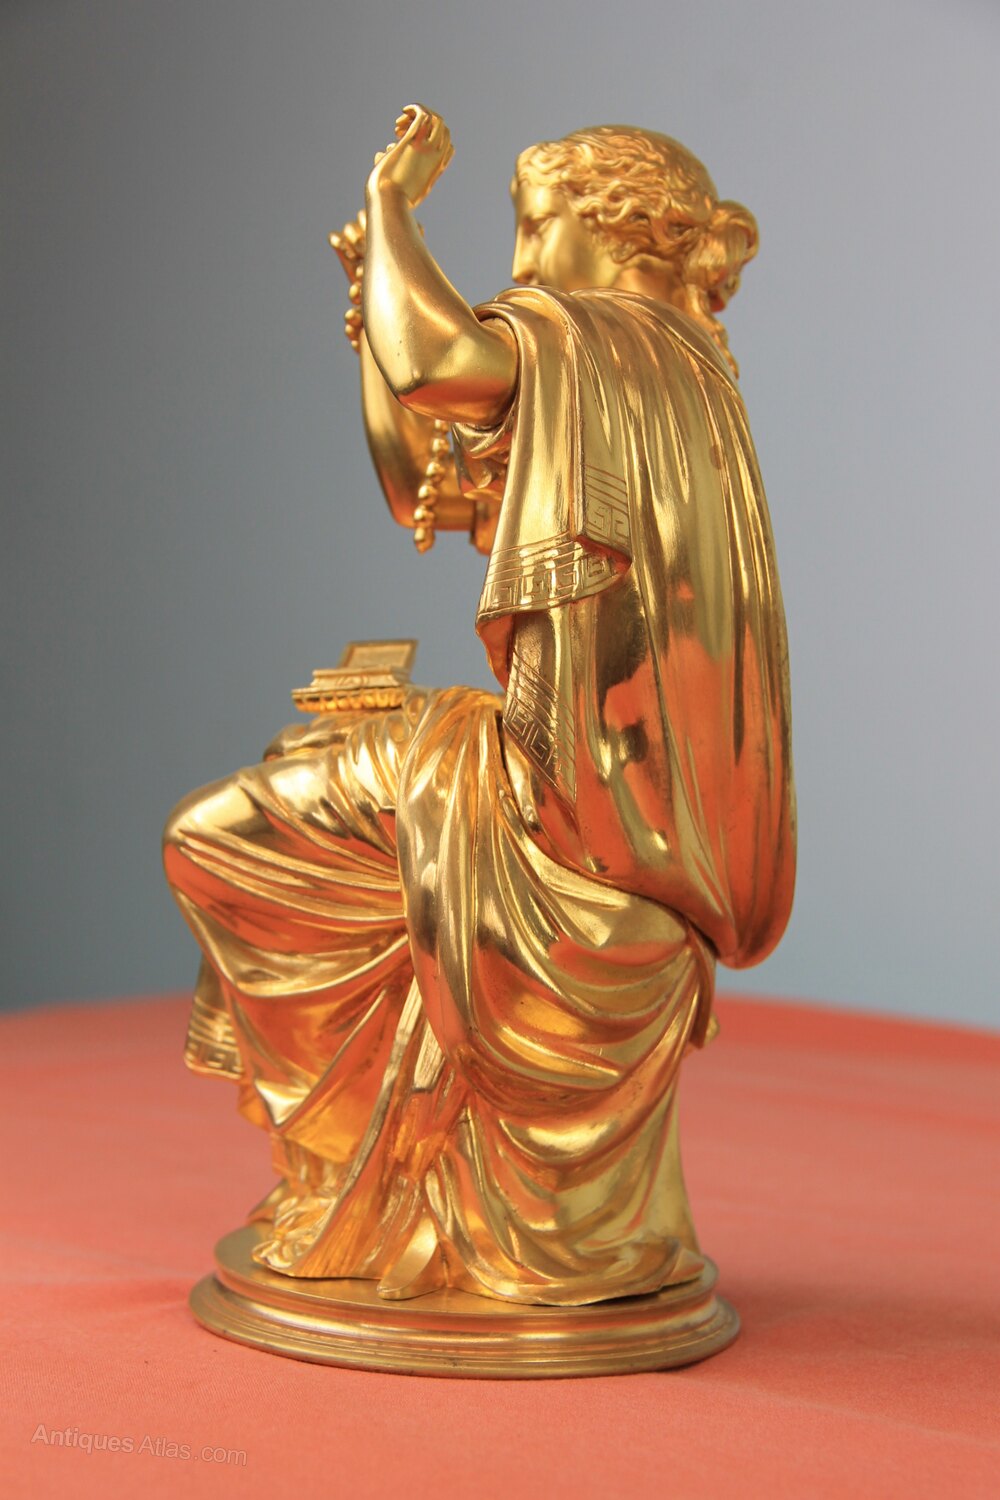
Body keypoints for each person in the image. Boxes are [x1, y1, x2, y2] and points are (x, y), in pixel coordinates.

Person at [164, 107, 795, 1306]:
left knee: (218, 841)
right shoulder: (675, 376)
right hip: (613, 813)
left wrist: (394, 205)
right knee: (295, 790)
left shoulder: (601, 340)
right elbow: (429, 482)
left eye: (533, 224)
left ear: (609, 226)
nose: (519, 260)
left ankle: (345, 1172)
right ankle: (372, 1183)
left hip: (555, 810)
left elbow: (439, 366)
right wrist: (374, 302)